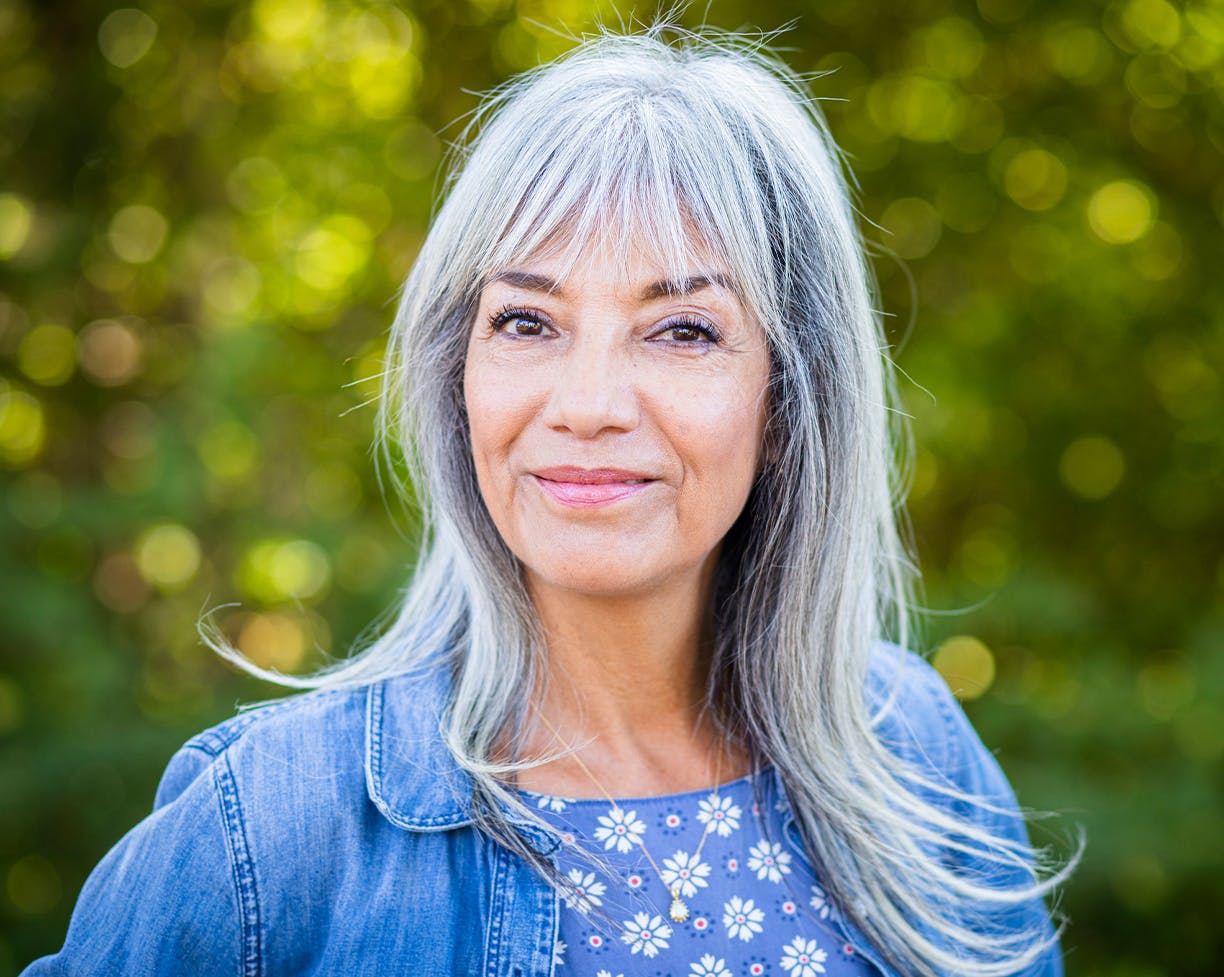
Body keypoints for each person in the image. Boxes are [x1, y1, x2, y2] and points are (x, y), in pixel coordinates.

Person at [25, 27, 1074, 977]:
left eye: (682, 330)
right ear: (458, 372)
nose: (586, 406)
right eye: (528, 322)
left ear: (790, 393)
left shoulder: (912, 749)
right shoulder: (276, 826)